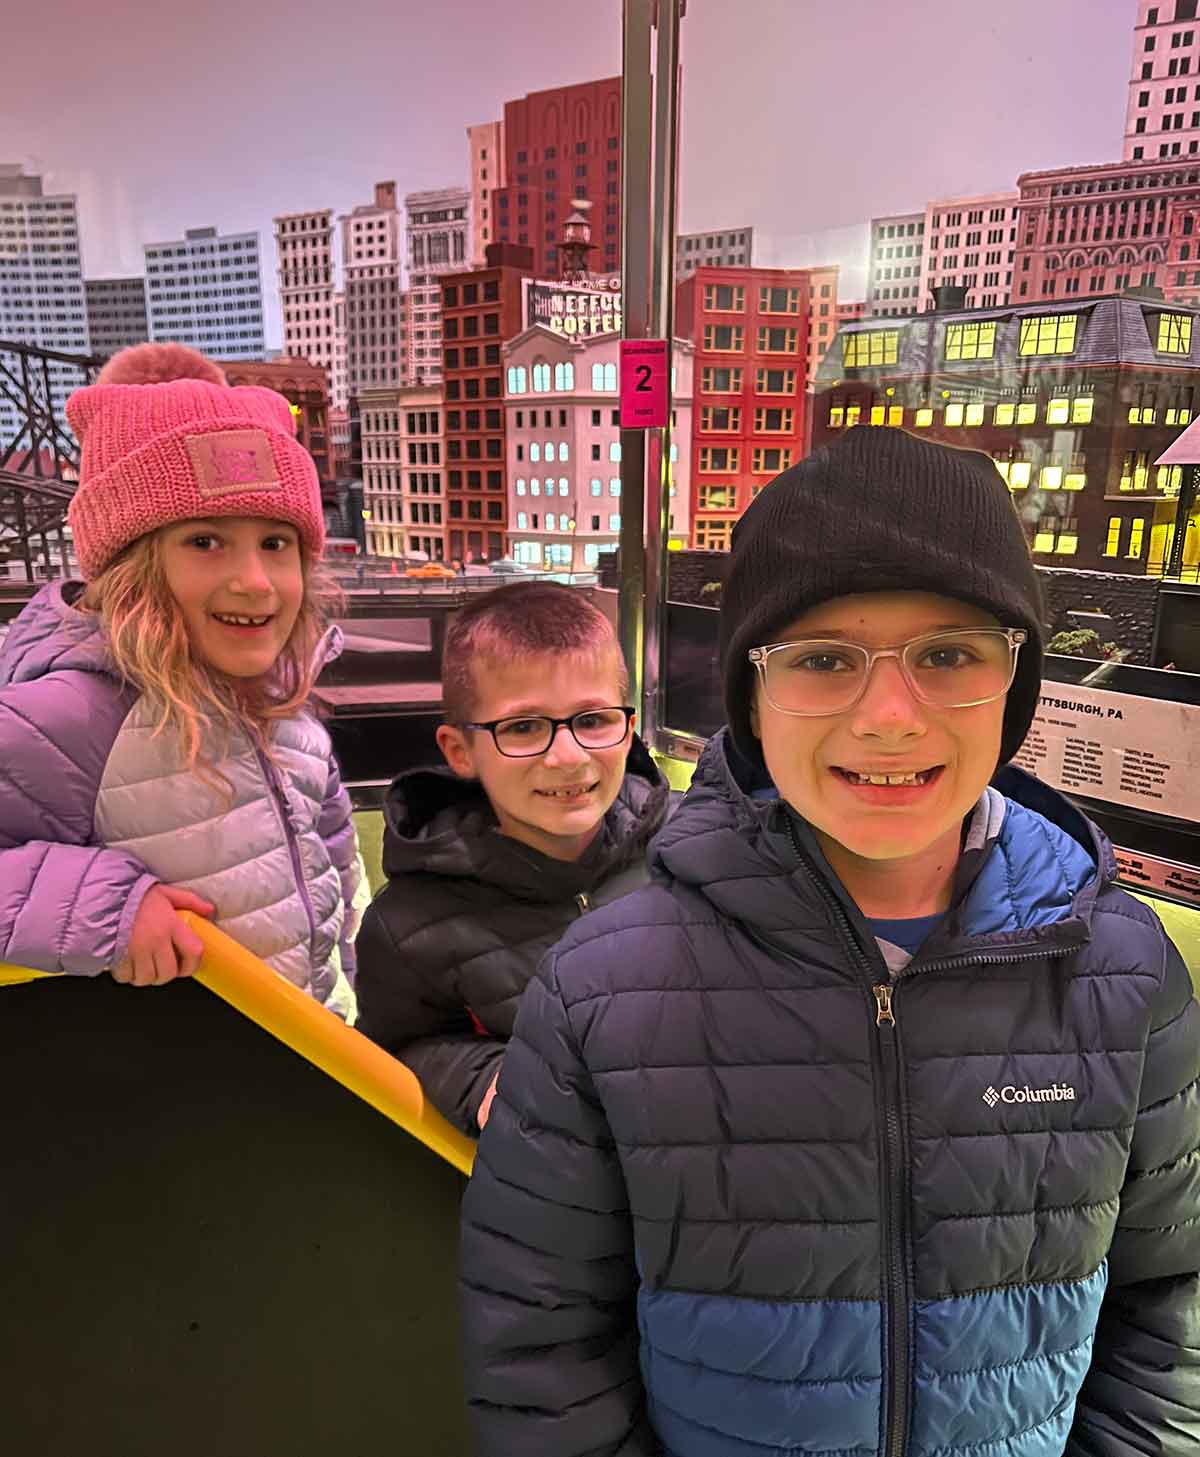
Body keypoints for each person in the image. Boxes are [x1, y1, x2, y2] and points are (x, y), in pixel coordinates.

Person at [459, 427, 1200, 1457]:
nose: (890, 716)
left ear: (1014, 683)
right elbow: (538, 1342)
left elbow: (1169, 1303)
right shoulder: (603, 990)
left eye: (948, 654)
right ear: (752, 697)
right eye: (821, 658)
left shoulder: (1124, 972)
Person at [0, 343, 365, 1019]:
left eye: (276, 543)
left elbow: (337, 874)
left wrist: (353, 1001)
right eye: (204, 540)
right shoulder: (71, 715)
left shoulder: (287, 703)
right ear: (130, 565)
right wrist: (101, 904)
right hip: (170, 1100)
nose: (254, 581)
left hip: (311, 1068)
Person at [354, 582, 669, 1134]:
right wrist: (481, 1080)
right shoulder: (407, 926)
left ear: (628, 730)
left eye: (592, 720)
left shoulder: (697, 844)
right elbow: (400, 1046)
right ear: (460, 751)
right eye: (523, 727)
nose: (568, 757)